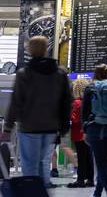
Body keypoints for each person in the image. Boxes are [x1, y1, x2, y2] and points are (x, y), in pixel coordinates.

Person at [0, 36, 72, 189]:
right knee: (43, 164)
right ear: (46, 50)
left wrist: (7, 128)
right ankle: (42, 190)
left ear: (30, 50)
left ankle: (32, 192)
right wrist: (64, 126)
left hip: (29, 128)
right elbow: (66, 102)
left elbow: (16, 103)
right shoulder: (60, 73)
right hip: (51, 127)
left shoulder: (24, 73)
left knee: (30, 166)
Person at [81, 64, 107, 197]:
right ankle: (97, 193)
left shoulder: (90, 88)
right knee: (103, 163)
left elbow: (85, 112)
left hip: (95, 128)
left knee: (100, 165)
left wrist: (85, 130)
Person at [68, 78, 94, 188]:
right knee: (89, 157)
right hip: (90, 132)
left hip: (79, 133)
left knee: (81, 157)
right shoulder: (90, 101)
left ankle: (80, 180)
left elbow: (75, 119)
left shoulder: (77, 103)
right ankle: (90, 179)